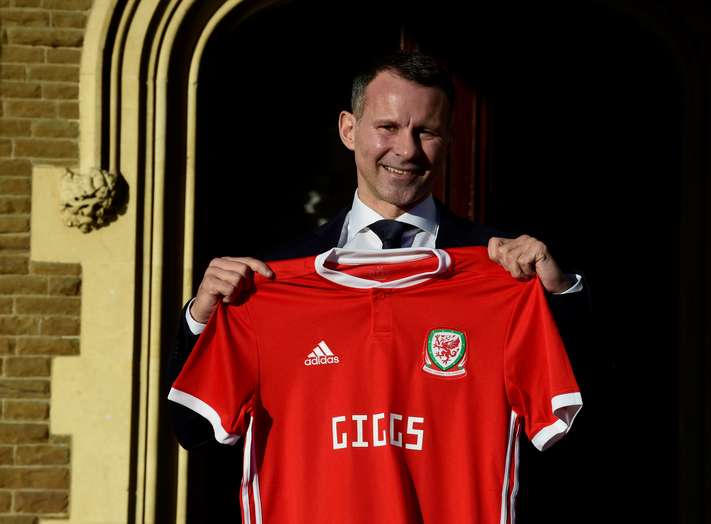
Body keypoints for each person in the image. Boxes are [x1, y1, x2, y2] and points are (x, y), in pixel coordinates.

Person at [167, 50, 586, 450]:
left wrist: (559, 294)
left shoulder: (503, 273)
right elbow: (192, 430)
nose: (406, 150)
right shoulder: (276, 276)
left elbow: (577, 423)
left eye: (426, 131)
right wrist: (201, 319)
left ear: (449, 139)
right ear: (348, 130)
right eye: (388, 127)